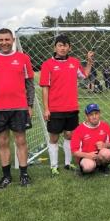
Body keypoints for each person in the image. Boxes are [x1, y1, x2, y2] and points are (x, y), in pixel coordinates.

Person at [0, 28, 35, 188]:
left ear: (13, 40)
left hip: (19, 107)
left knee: (21, 141)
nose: (4, 43)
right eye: (1, 40)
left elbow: (29, 84)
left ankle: (24, 174)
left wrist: (30, 105)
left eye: (7, 39)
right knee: (3, 141)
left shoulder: (23, 58)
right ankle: (6, 176)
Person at [39, 34, 94, 177]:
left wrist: (89, 62)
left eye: (65, 45)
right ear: (55, 47)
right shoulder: (47, 65)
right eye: (60, 45)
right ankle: (53, 166)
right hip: (55, 108)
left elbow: (85, 75)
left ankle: (68, 163)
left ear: (70, 47)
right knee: (54, 138)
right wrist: (46, 108)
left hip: (71, 107)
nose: (63, 48)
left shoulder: (74, 62)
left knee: (69, 135)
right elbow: (45, 87)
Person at [71, 103, 110, 175]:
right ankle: (85, 169)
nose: (94, 116)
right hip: (85, 156)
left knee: (107, 153)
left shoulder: (105, 126)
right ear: (87, 116)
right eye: (91, 114)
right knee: (88, 166)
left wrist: (104, 145)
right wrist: (88, 155)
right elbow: (74, 152)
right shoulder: (79, 130)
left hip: (99, 155)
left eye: (96, 113)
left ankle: (103, 167)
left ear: (99, 113)